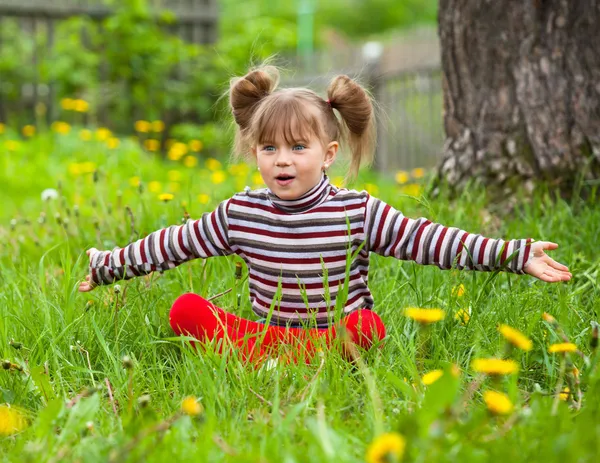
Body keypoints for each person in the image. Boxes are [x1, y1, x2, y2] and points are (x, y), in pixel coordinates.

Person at [79, 66, 572, 364]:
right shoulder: (240, 213)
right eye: (268, 148)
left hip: (336, 336)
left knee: (367, 329)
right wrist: (108, 265)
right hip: (268, 335)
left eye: (297, 146)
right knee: (186, 308)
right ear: (253, 153)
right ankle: (279, 359)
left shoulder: (356, 211)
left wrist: (514, 253)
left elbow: (429, 240)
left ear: (329, 152)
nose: (283, 160)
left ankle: (291, 362)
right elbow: (173, 244)